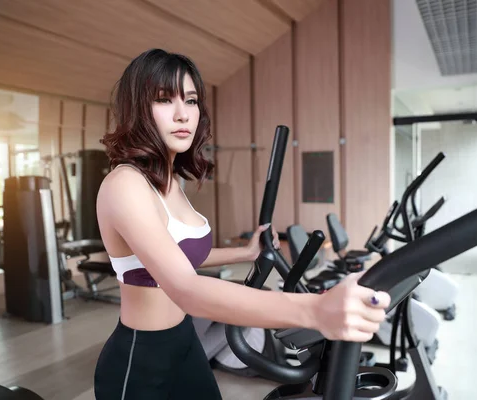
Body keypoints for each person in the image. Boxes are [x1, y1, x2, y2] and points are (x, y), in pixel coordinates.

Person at [93, 48, 391, 399]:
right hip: (140, 361)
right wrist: (315, 310)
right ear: (138, 109)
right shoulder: (125, 184)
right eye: (164, 100)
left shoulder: (171, 181)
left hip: (185, 343)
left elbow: (174, 257)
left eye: (190, 101)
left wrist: (244, 252)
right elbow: (185, 287)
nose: (181, 114)